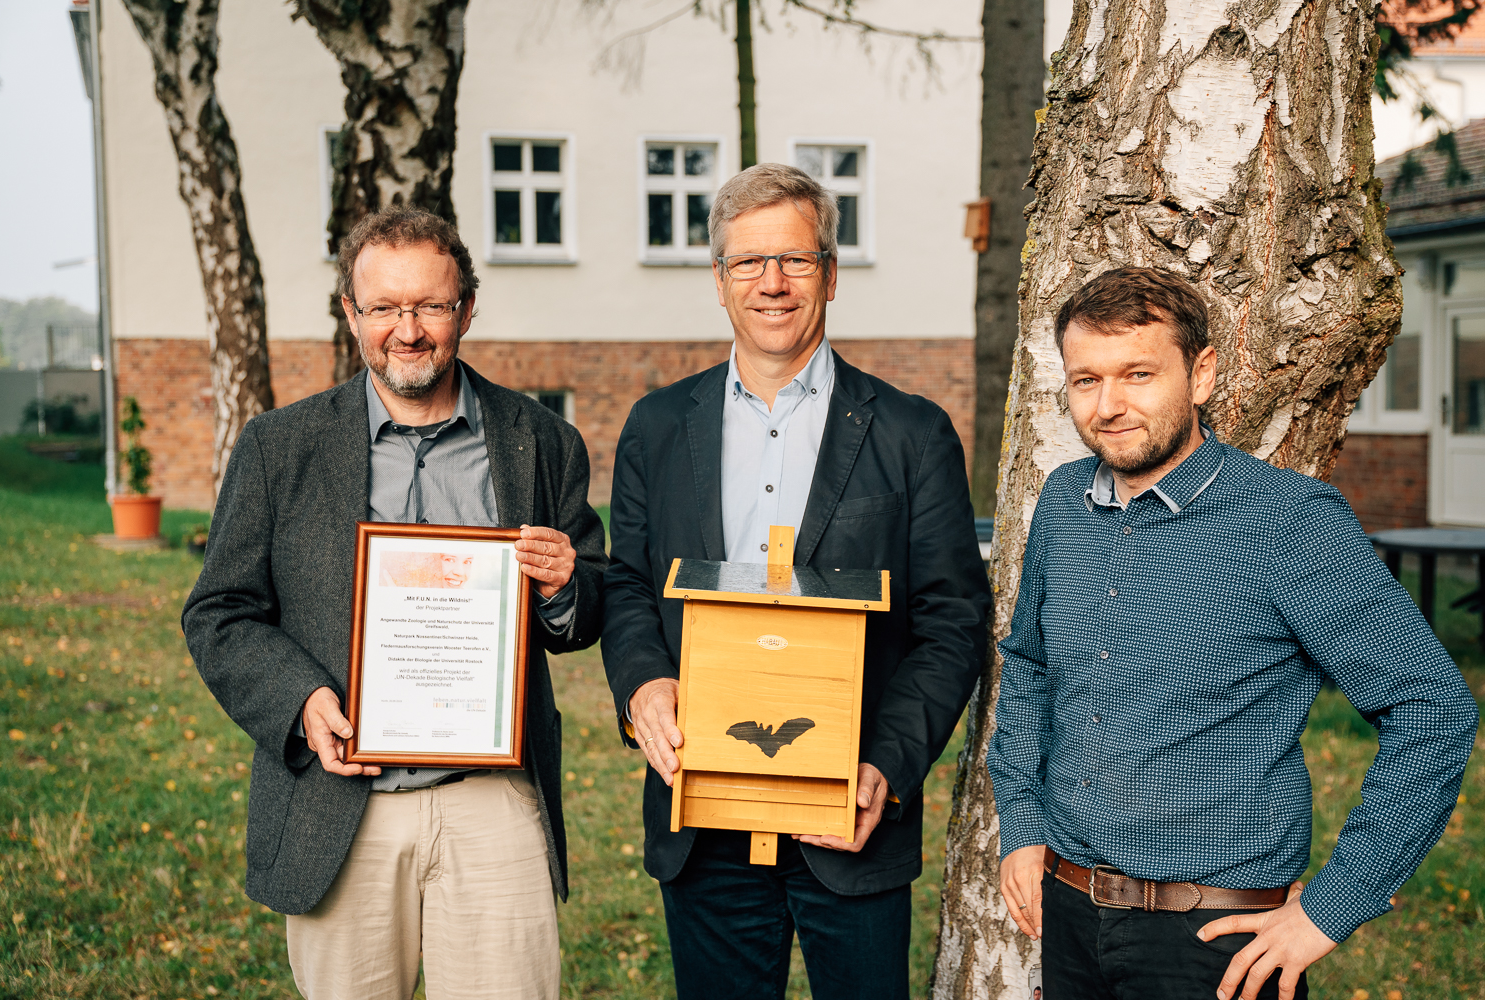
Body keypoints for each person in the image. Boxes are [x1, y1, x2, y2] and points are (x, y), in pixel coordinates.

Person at [987, 266, 1479, 1000]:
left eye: (1138, 374)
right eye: (1086, 380)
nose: (1110, 405)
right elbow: (1027, 665)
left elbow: (1432, 710)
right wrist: (1023, 822)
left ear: (1203, 374)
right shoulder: (1063, 503)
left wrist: (1328, 910)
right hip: (1068, 914)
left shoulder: (1289, 523)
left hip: (1214, 942)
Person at [183, 206, 606, 1000]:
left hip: (490, 800)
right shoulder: (281, 448)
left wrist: (562, 588)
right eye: (384, 308)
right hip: (340, 804)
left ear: (466, 309)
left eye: (430, 306)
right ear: (352, 314)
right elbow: (220, 611)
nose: (407, 331)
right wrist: (302, 699)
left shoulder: (540, 439)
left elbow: (584, 607)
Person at [601, 163, 991, 999]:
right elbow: (627, 582)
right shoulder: (659, 427)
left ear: (832, 274)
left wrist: (887, 764)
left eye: (796, 260)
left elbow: (952, 620)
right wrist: (642, 683)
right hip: (702, 818)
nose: (772, 283)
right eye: (748, 262)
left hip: (848, 815)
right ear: (718, 281)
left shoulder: (912, 435)